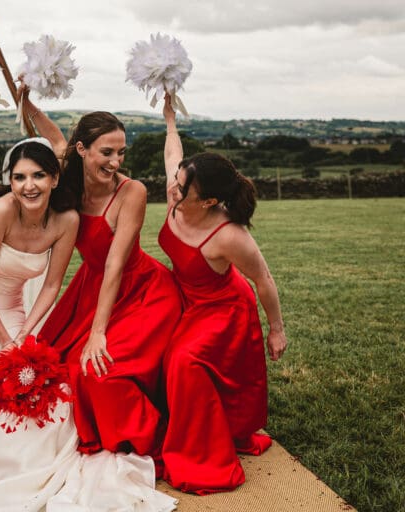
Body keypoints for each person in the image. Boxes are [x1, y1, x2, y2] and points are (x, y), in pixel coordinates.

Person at [0, 140, 176, 512]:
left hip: (12, 306)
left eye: (38, 175)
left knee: (40, 376)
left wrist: (26, 333)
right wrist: (6, 340)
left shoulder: (66, 220)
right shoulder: (3, 210)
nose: (28, 186)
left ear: (54, 179)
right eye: (19, 178)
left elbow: (52, 284)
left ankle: (44, 460)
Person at [27, 90, 184, 462]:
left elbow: (115, 263)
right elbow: (54, 137)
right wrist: (28, 103)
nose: (116, 161)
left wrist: (97, 333)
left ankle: (153, 434)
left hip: (142, 291)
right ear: (82, 150)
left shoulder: (133, 192)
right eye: (107, 152)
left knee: (97, 371)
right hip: (91, 286)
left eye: (121, 152)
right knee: (51, 365)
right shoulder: (66, 177)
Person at [158, 94, 288, 494]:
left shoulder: (230, 235)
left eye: (183, 190)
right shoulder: (179, 191)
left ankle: (200, 454)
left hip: (223, 309)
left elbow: (263, 279)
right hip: (182, 296)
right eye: (177, 182)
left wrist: (276, 329)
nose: (173, 191)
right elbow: (172, 155)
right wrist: (170, 123)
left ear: (210, 201)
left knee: (183, 362)